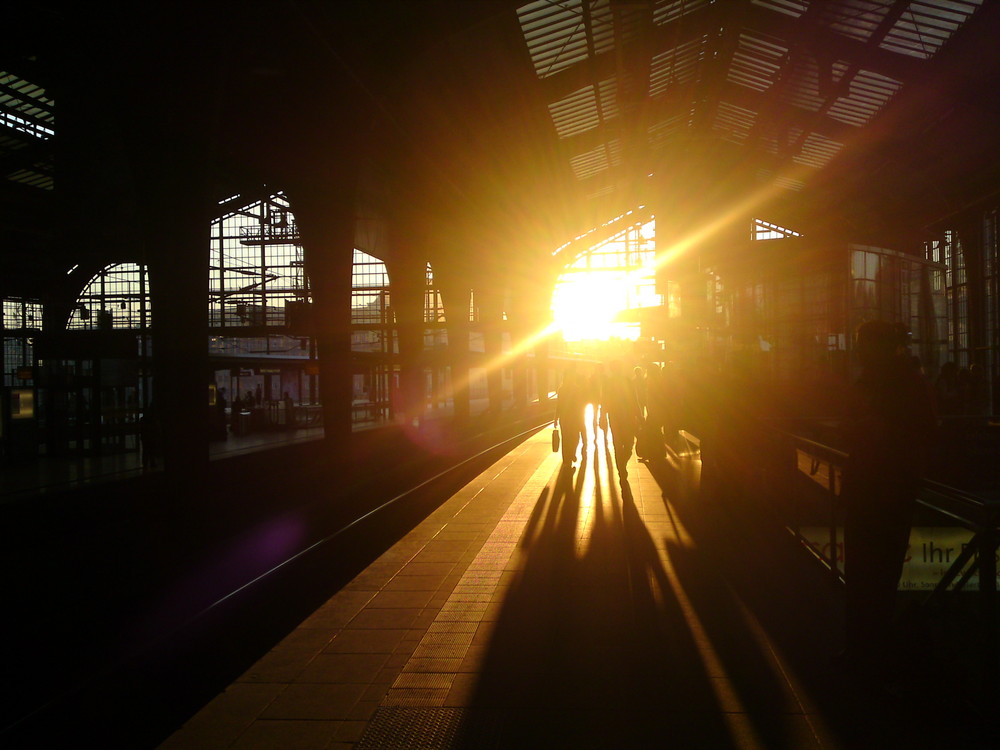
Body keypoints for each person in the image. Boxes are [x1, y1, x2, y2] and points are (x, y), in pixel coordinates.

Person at [839, 320, 937, 677]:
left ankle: (864, 652)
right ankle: (870, 654)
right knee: (877, 578)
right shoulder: (909, 384)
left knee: (865, 577)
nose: (859, 350)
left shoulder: (879, 385)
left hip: (874, 491)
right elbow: (927, 433)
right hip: (888, 493)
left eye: (863, 343)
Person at [602, 359, 643, 481]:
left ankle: (621, 465)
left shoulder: (609, 383)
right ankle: (622, 466)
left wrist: (602, 415)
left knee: (618, 444)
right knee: (628, 443)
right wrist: (640, 415)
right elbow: (634, 400)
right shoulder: (627, 381)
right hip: (626, 417)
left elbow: (604, 400)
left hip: (615, 417)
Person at [556, 367, 587, 466]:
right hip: (572, 417)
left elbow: (559, 405)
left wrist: (556, 417)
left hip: (567, 417)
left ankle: (568, 457)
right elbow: (580, 404)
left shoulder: (563, 389)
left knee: (567, 438)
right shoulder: (573, 389)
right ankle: (569, 455)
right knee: (574, 437)